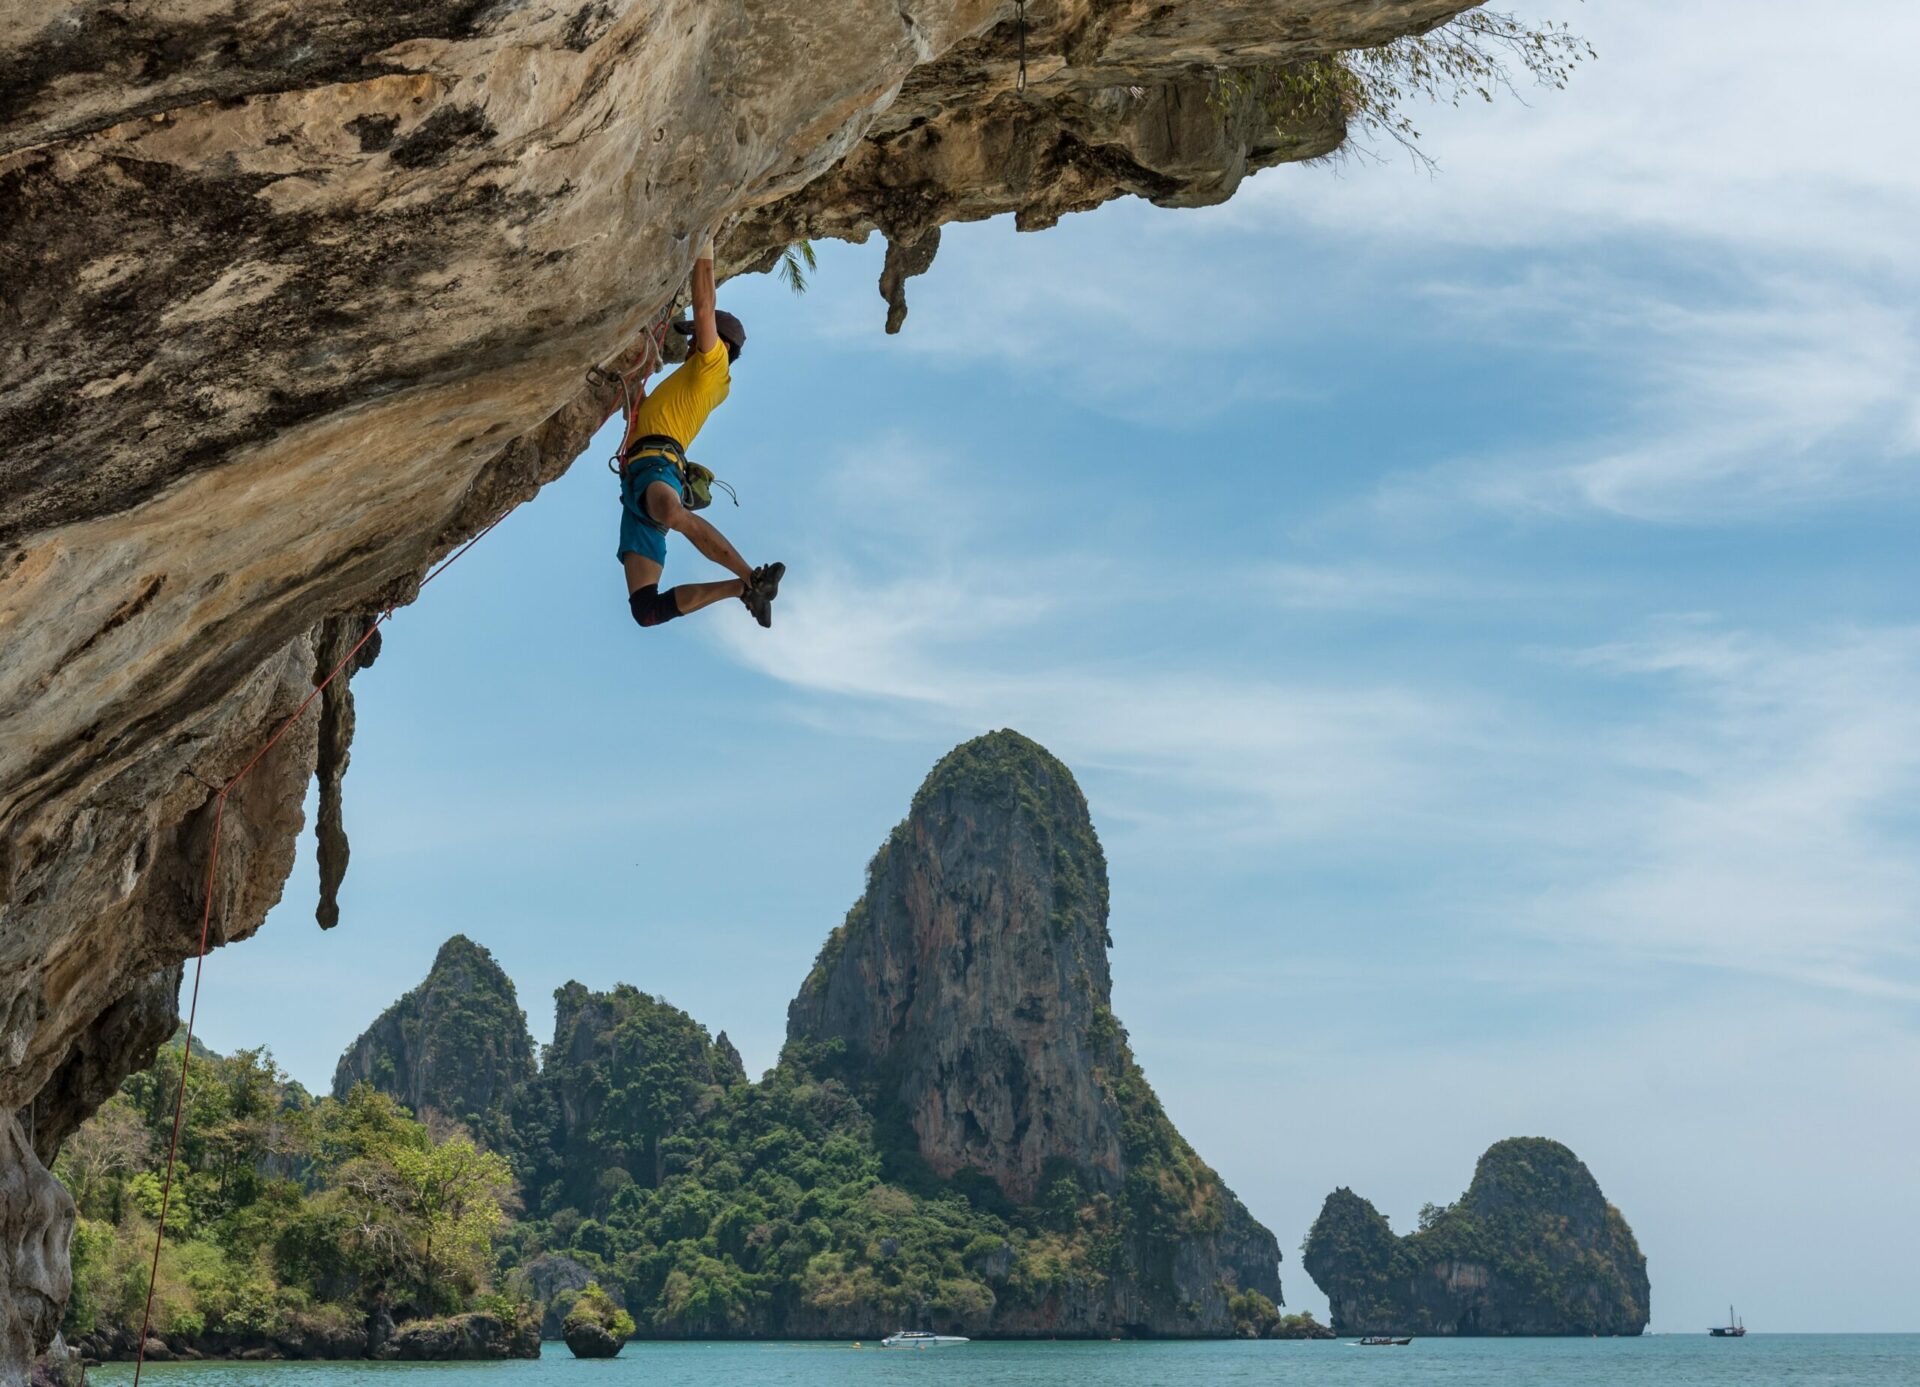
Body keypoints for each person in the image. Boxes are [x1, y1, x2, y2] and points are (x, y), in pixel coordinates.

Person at [613, 236, 784, 629]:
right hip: (639, 484)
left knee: (672, 512)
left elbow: (704, 305)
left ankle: (752, 578)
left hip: (657, 468)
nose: (689, 343)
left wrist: (703, 242)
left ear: (717, 344)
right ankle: (745, 590)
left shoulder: (714, 366)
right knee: (646, 611)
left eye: (695, 337)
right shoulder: (699, 378)